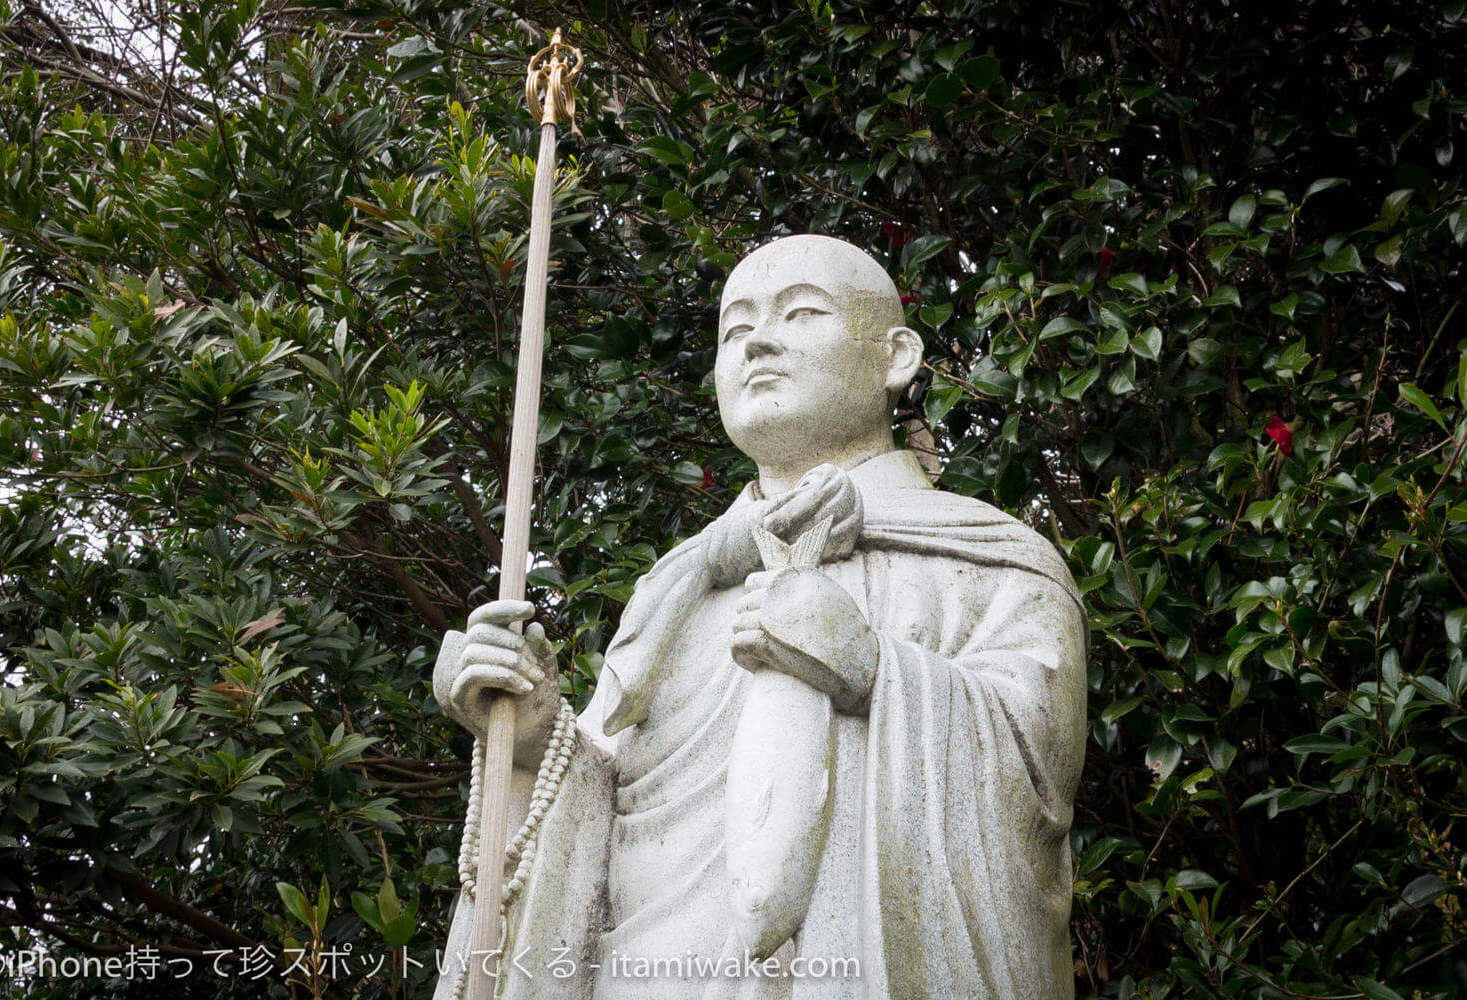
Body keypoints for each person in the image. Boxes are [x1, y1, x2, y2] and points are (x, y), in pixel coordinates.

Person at [432, 234, 1087, 1000]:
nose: (759, 342)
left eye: (801, 313)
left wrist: (876, 670)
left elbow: (1033, 778)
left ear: (897, 356)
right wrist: (533, 736)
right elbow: (611, 809)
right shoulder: (677, 591)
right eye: (735, 328)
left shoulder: (989, 560)